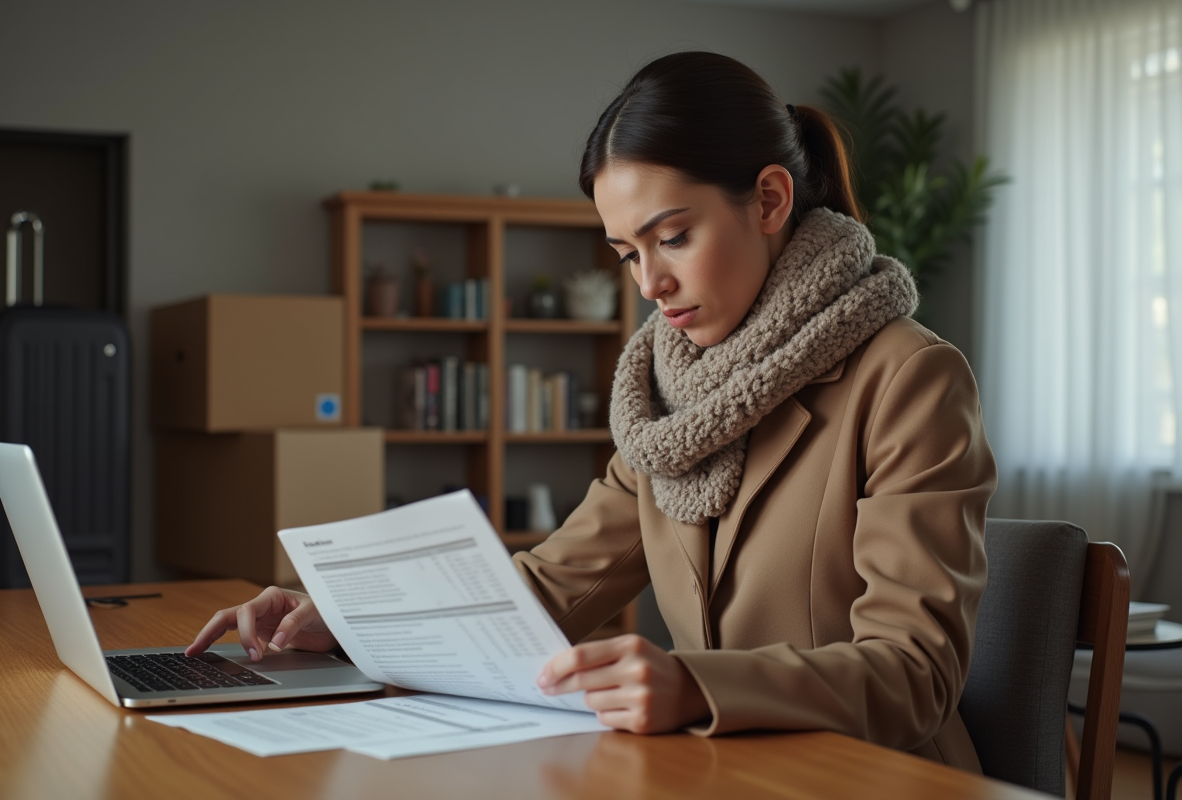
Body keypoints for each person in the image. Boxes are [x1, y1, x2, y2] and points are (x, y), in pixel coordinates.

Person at [186, 51, 995, 772]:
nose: (650, 284)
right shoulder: (667, 396)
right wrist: (337, 619)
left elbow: (914, 673)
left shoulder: (910, 379)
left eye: (672, 237)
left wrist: (694, 685)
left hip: (875, 779)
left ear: (771, 199)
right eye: (627, 254)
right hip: (719, 773)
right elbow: (545, 586)